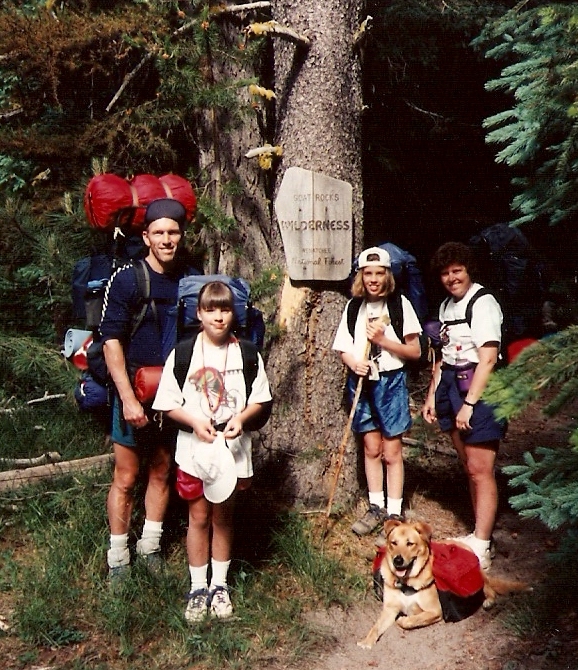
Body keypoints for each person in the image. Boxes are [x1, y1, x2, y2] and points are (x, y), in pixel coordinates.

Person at [152, 281, 272, 622]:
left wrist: (241, 419)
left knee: (223, 516)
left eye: (225, 310)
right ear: (198, 313)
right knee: (199, 516)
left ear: (234, 314)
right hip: (195, 448)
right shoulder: (184, 353)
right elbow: (166, 403)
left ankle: (219, 586)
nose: (218, 317)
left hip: (232, 448)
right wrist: (193, 421)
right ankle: (197, 588)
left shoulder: (247, 353)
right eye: (211, 310)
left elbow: (260, 398)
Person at [101, 197, 190, 582]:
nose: (167, 239)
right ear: (146, 236)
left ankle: (150, 546)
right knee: (126, 474)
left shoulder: (191, 278)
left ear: (181, 235)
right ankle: (118, 557)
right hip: (134, 389)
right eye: (159, 233)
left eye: (173, 232)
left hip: (174, 393)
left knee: (162, 469)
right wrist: (127, 398)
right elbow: (111, 342)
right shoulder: (127, 279)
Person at [422, 241, 506, 571]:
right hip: (451, 385)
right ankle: (478, 533)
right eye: (445, 273)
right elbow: (442, 357)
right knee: (468, 465)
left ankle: (483, 546)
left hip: (479, 388)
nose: (451, 278)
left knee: (480, 468)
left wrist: (470, 404)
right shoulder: (446, 307)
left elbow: (487, 359)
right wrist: (432, 395)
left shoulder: (483, 303)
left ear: (469, 270)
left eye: (457, 270)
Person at [332, 247, 422, 536]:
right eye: (367, 273)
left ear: (388, 275)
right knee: (371, 447)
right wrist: (353, 363)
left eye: (379, 273)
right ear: (361, 276)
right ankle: (376, 506)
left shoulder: (399, 305)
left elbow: (414, 351)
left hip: (390, 381)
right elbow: (344, 347)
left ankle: (394, 512)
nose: (373, 279)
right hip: (362, 381)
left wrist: (384, 340)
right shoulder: (353, 307)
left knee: (391, 450)